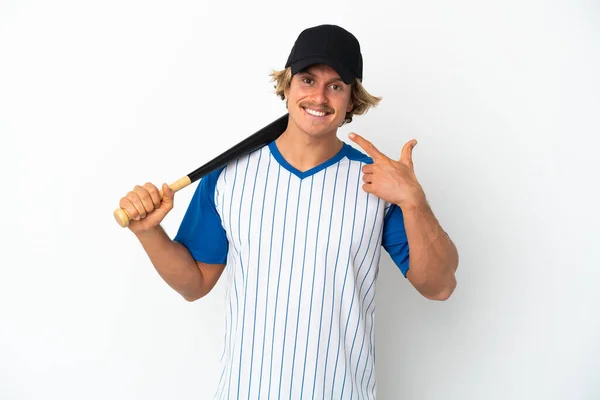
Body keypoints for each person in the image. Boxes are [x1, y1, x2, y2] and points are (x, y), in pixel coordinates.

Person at [118, 24, 459, 399]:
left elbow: (440, 285)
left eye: (336, 86)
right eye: (308, 80)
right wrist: (148, 232)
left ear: (351, 101)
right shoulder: (228, 176)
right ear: (287, 85)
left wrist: (414, 201)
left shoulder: (378, 185)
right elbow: (195, 283)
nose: (319, 96)